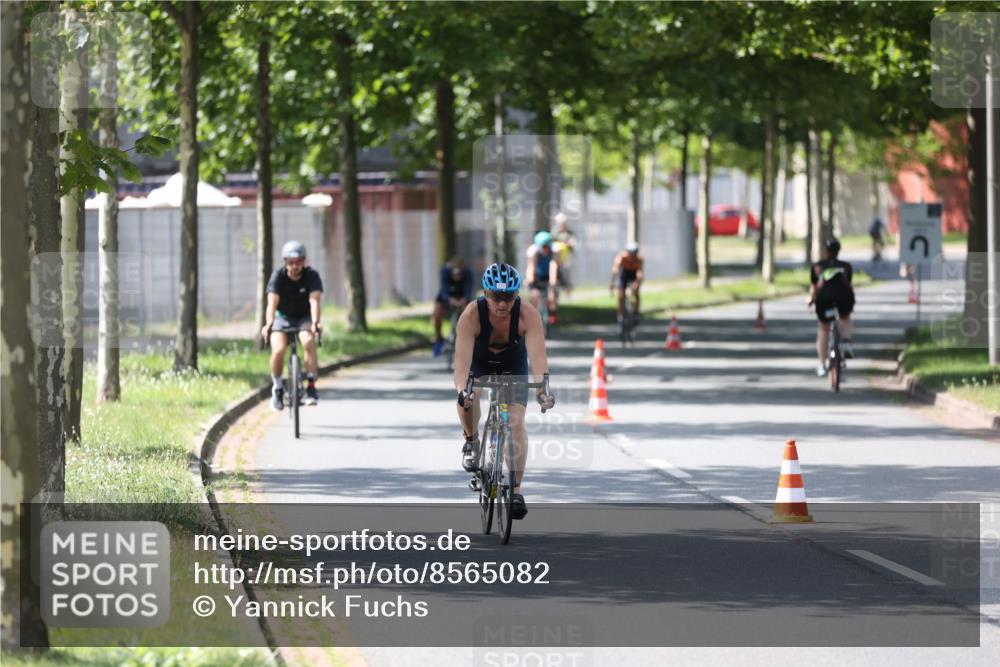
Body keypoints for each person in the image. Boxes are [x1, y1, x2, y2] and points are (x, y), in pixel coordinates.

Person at [452, 263, 556, 520]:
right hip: (479, 363)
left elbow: (538, 360)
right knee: (469, 395)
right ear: (486, 294)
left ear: (516, 295)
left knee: (517, 421)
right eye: (496, 297)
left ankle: (516, 492)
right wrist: (462, 391)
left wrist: (543, 391)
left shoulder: (528, 315)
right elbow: (462, 365)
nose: (502, 304)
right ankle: (471, 441)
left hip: (512, 364)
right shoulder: (471, 315)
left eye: (509, 297)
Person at [261, 240, 324, 410]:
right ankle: (278, 387)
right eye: (290, 262)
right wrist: (268, 324)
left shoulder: (312, 276)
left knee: (308, 341)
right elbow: (271, 304)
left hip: (304, 317)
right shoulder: (278, 277)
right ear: (285, 262)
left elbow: (314, 301)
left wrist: (316, 322)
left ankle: (311, 386)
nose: (295, 266)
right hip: (283, 317)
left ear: (304, 261)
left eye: (298, 262)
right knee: (278, 349)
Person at [807, 238, 855, 376]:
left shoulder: (817, 266)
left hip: (824, 299)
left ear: (826, 251)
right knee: (845, 317)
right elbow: (849, 286)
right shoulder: (846, 266)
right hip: (844, 298)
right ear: (838, 251)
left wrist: (810, 299)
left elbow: (814, 287)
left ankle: (822, 364)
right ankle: (845, 341)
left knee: (823, 327)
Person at [432, 258, 473, 356]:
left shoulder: (468, 273)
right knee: (437, 313)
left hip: (461, 294)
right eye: (454, 274)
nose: (457, 277)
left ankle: (467, 337)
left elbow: (468, 290)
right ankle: (438, 339)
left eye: (459, 274)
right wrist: (449, 299)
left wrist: (465, 299)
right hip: (447, 295)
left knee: (468, 312)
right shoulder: (445, 271)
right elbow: (444, 289)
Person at [525, 230, 560, 324]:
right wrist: (531, 281)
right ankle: (532, 318)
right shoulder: (533, 251)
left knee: (552, 295)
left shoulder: (554, 250)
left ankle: (552, 312)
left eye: (546, 246)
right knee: (534, 296)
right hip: (537, 276)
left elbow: (554, 266)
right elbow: (531, 267)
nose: (545, 249)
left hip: (548, 275)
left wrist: (552, 283)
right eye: (543, 247)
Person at [610, 241, 644, 324]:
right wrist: (612, 283)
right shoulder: (622, 257)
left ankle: (635, 313)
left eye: (634, 254)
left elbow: (640, 273)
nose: (632, 257)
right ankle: (620, 314)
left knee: (635, 293)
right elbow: (615, 270)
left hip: (633, 274)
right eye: (630, 254)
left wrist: (637, 283)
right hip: (624, 274)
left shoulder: (639, 259)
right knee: (621, 295)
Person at [553, 212, 577, 294]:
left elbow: (573, 243)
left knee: (567, 274)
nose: (561, 224)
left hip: (566, 257)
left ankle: (568, 291)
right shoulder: (555, 231)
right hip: (556, 257)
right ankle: (555, 292)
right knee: (555, 274)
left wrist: (569, 244)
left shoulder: (569, 232)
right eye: (559, 222)